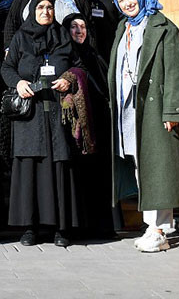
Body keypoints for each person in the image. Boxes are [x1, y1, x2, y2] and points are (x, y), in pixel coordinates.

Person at [107, 0, 179, 253]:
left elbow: (175, 71)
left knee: (158, 166)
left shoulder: (162, 27)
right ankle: (151, 224)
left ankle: (160, 229)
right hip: (129, 108)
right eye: (122, 0)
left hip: (154, 108)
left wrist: (173, 110)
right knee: (140, 164)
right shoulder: (124, 26)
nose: (127, 3)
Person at [2, 0, 83, 247]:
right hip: (30, 115)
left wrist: (68, 78)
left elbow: (79, 67)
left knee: (58, 167)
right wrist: (19, 82)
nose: (46, 11)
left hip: (57, 113)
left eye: (50, 7)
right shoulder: (21, 38)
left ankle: (60, 229)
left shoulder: (63, 38)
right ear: (32, 11)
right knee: (29, 168)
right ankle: (29, 228)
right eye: (41, 7)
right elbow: (6, 68)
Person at [65, 14, 115, 236]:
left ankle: (103, 227)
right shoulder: (65, 55)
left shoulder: (95, 55)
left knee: (100, 175)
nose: (79, 31)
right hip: (79, 126)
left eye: (83, 27)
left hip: (100, 123)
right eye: (74, 27)